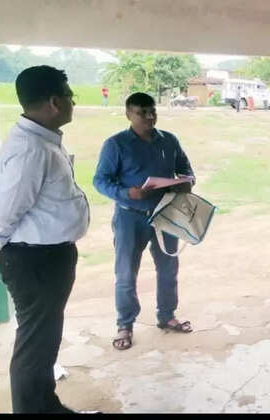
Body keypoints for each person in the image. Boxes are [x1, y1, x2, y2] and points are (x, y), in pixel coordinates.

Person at [0, 65, 90, 413]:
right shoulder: (32, 149)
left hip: (46, 257)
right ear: (55, 102)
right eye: (70, 96)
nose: (73, 102)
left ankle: (45, 405)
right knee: (35, 346)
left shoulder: (41, 141)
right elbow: (7, 204)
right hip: (36, 261)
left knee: (43, 342)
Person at [93, 92, 195, 351]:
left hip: (164, 214)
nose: (149, 117)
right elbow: (100, 181)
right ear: (129, 114)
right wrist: (127, 193)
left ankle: (167, 315)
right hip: (130, 216)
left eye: (152, 111)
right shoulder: (116, 144)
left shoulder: (169, 140)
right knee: (126, 272)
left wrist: (187, 182)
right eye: (142, 113)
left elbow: (186, 170)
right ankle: (125, 325)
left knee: (169, 267)